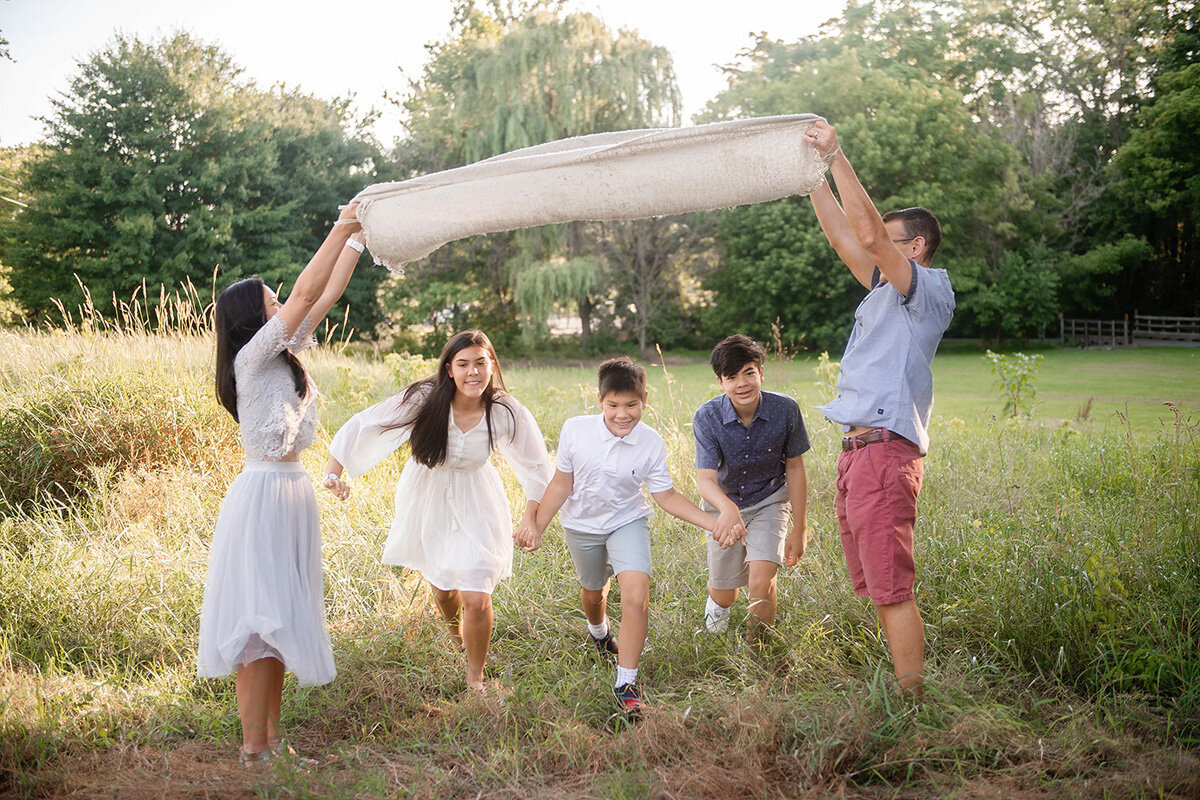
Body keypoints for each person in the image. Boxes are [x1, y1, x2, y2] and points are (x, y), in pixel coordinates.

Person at [198, 202, 365, 765]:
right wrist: (342, 222)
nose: (282, 306)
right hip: (264, 496)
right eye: (271, 301)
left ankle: (270, 743)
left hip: (292, 494)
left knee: (279, 626)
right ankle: (254, 747)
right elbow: (302, 295)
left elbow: (324, 296)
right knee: (257, 625)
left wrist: (358, 240)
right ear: (253, 316)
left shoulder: (287, 353)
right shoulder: (251, 357)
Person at [803, 118, 956, 694]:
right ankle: (904, 686)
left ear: (913, 247)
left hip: (886, 453)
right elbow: (848, 238)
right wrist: (809, 176)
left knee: (893, 588)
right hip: (856, 452)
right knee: (876, 585)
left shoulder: (926, 289)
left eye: (890, 238)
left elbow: (865, 234)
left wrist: (836, 154)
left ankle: (912, 703)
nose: (875, 242)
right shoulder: (881, 292)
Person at [321, 330, 551, 692]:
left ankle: (475, 682)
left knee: (476, 593)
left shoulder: (504, 410)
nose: (473, 372)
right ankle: (455, 636)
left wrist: (531, 516)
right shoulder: (425, 399)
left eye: (481, 362)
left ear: (492, 366)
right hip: (426, 497)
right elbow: (369, 424)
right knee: (444, 588)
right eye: (463, 364)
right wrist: (334, 472)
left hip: (478, 500)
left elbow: (536, 465)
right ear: (448, 369)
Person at [518, 357, 729, 716]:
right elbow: (560, 485)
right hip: (581, 525)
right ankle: (599, 633)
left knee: (636, 595)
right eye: (613, 405)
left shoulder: (650, 441)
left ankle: (626, 681)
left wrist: (715, 522)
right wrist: (536, 525)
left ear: (645, 399)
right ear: (599, 400)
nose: (622, 414)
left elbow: (665, 496)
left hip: (627, 521)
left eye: (632, 405)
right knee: (593, 590)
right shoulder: (575, 430)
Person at [693, 335, 810, 638]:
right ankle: (717, 603)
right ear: (720, 382)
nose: (742, 383)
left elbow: (795, 469)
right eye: (732, 377)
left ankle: (757, 649)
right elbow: (706, 480)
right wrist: (728, 510)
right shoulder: (707, 417)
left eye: (749, 372)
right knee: (725, 594)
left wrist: (800, 527)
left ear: (761, 373)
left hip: (770, 500)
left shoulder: (786, 410)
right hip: (724, 504)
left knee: (762, 579)